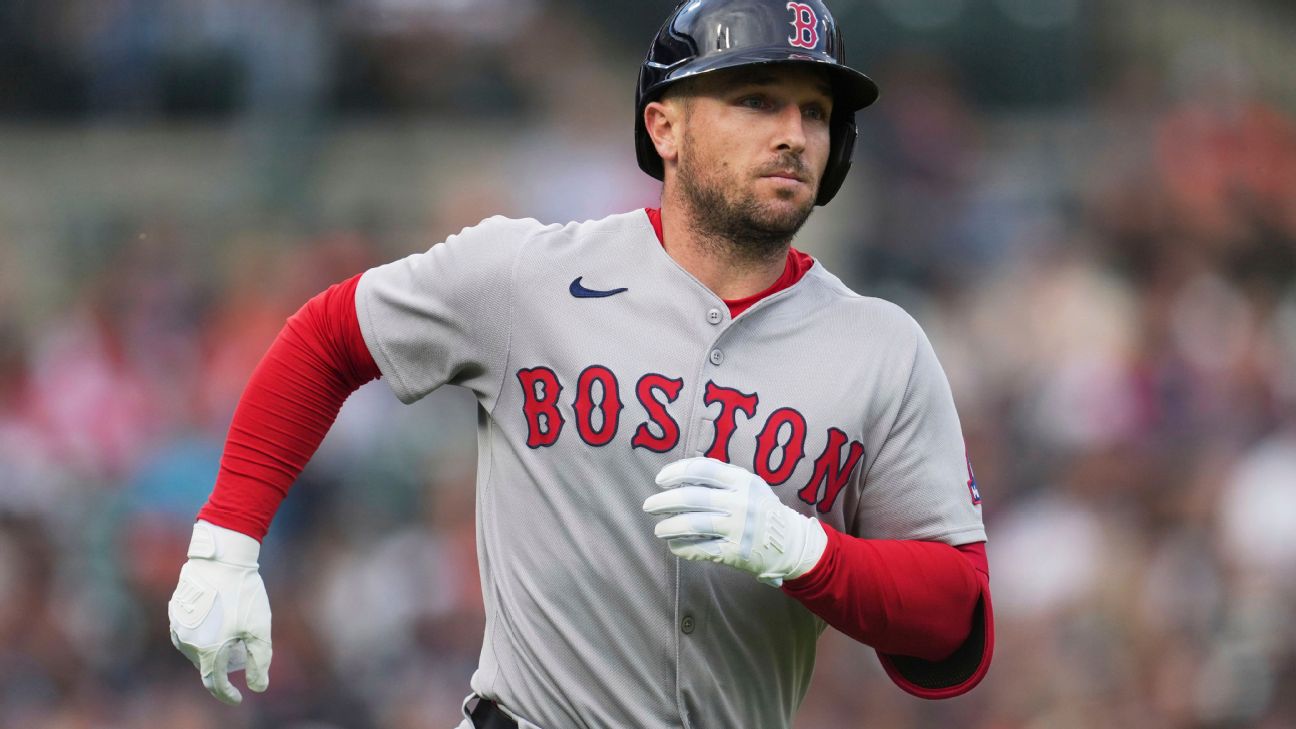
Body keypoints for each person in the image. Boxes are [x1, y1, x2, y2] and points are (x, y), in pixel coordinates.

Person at [167, 1, 995, 727]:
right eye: (756, 100)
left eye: (815, 112)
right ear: (664, 127)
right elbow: (329, 337)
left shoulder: (882, 346)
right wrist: (225, 542)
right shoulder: (528, 274)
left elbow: (954, 612)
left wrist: (806, 552)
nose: (793, 134)